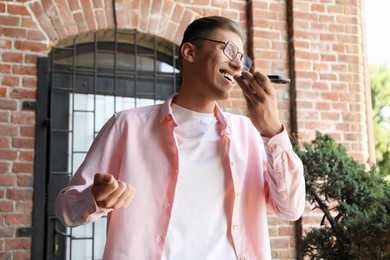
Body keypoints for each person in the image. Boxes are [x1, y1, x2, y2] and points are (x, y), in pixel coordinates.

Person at [55, 16, 306, 259]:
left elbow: (290, 209)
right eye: (229, 51)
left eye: (242, 59)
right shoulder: (127, 126)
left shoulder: (249, 134)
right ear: (190, 52)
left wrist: (272, 130)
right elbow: (66, 209)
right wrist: (95, 198)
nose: (238, 66)